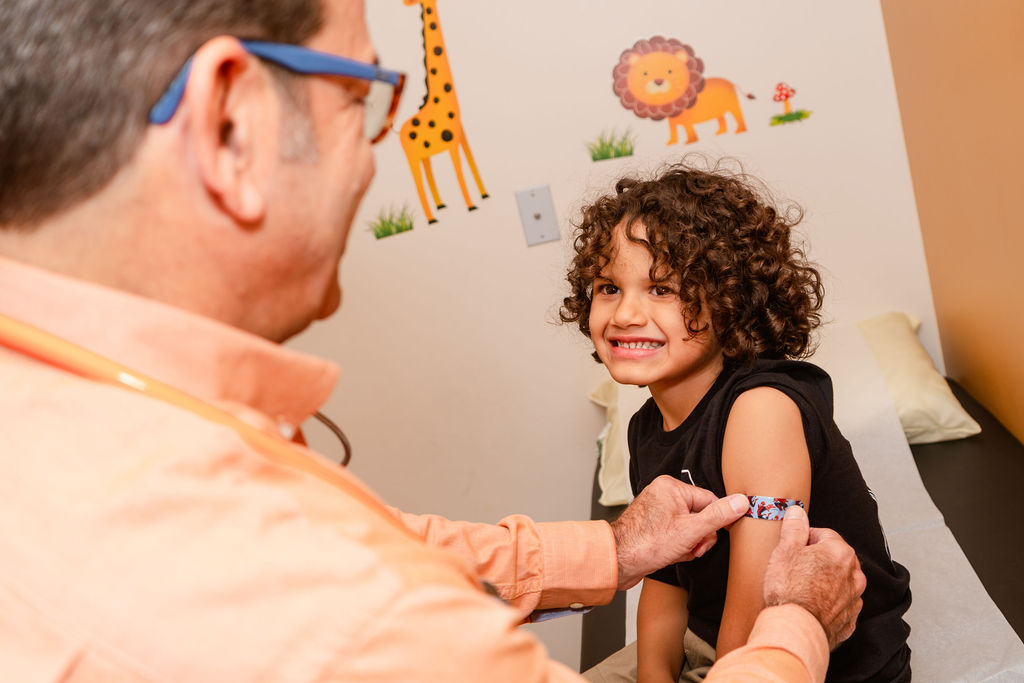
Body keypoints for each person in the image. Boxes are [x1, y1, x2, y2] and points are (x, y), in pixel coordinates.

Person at [0, 1, 863, 680]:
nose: (376, 155)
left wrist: (615, 548)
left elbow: (384, 541)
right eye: (360, 99)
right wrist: (800, 623)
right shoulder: (296, 592)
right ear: (233, 124)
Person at [562, 161, 911, 682]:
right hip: (707, 642)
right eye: (608, 287)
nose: (625, 314)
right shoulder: (643, 430)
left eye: (662, 288)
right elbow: (666, 582)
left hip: (799, 656)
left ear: (731, 297)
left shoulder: (761, 409)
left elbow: (752, 621)